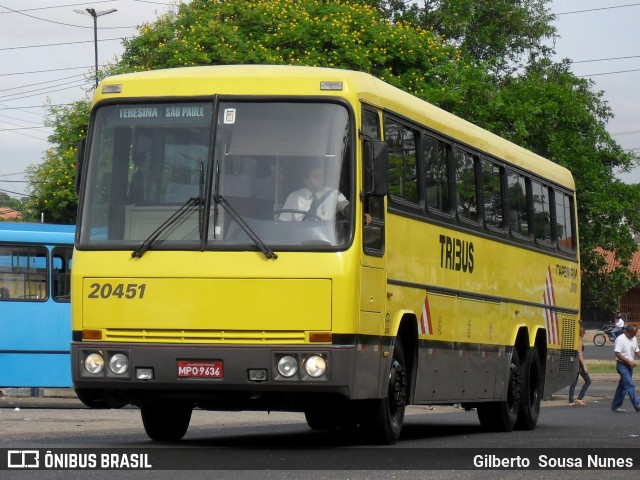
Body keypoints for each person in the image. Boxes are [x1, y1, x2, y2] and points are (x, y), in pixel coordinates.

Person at [279, 163, 349, 221]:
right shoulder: (294, 197)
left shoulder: (333, 193)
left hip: (325, 236)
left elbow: (347, 207)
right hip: (300, 235)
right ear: (306, 181)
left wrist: (348, 209)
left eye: (323, 176)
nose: (321, 180)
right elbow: (284, 222)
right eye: (316, 177)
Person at [611, 324, 640, 413]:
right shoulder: (620, 339)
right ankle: (637, 405)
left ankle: (616, 406)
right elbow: (617, 354)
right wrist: (628, 361)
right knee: (629, 384)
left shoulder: (633, 338)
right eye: (634, 334)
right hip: (622, 365)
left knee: (623, 386)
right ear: (629, 332)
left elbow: (636, 350)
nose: (635, 336)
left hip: (630, 366)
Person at [568, 325, 591, 406]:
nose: (584, 334)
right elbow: (580, 354)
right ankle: (580, 398)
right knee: (588, 381)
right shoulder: (579, 342)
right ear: (581, 333)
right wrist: (584, 365)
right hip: (579, 364)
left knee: (573, 383)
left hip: (573, 363)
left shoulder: (573, 340)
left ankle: (571, 401)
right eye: (583, 333)